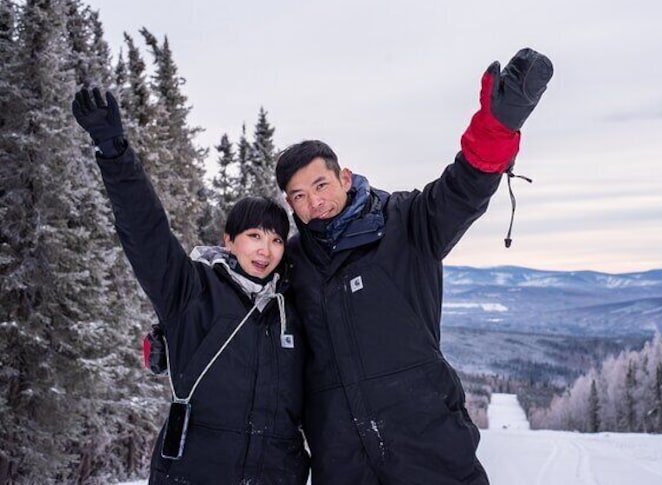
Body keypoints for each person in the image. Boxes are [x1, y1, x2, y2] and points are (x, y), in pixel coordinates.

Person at [274, 47, 553, 484]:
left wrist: (498, 125)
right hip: (344, 463)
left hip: (430, 451)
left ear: (345, 178)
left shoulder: (408, 222)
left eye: (321, 185)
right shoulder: (291, 262)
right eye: (299, 196)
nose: (315, 203)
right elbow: (238, 311)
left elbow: (464, 189)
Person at [72, 88, 309, 484]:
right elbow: (146, 231)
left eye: (276, 239)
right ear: (229, 240)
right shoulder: (190, 290)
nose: (265, 250)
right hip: (195, 472)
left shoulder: (294, 306)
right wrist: (113, 151)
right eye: (254, 235)